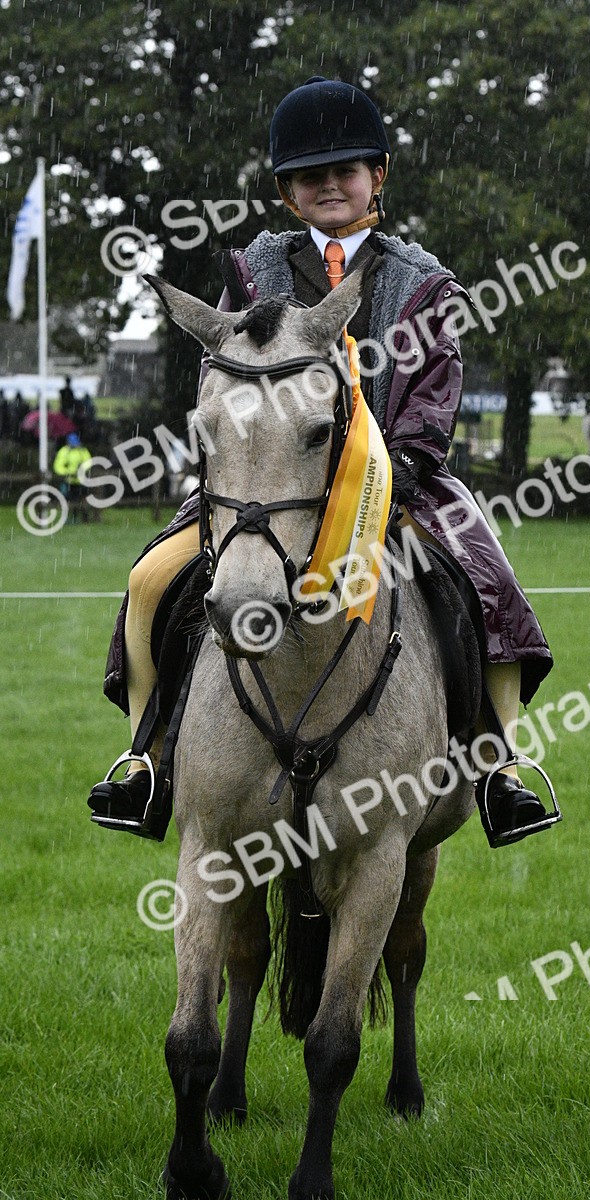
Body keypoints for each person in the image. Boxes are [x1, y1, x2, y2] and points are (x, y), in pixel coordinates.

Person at [88, 77, 556, 846]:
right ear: (287, 193)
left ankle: (500, 762)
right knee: (149, 580)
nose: (330, 185)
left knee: (489, 580)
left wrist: (402, 468)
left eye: (346, 169)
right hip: (265, 485)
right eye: (312, 175)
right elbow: (223, 372)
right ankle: (146, 756)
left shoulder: (425, 280)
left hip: (400, 484)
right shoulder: (251, 272)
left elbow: (436, 386)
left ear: (379, 175)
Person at [53, 432, 92, 521]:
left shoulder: (82, 450)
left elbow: (89, 462)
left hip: (81, 480)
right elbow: (58, 466)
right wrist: (68, 472)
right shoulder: (64, 451)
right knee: (68, 499)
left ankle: (85, 517)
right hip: (68, 481)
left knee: (83, 499)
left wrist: (82, 470)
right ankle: (69, 517)